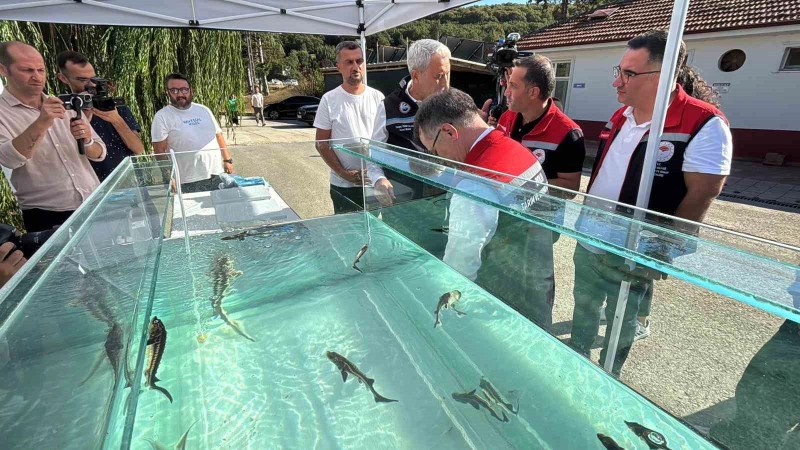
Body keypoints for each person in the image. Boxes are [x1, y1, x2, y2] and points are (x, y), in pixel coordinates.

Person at [569, 30, 733, 376]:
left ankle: (609, 375)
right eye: (619, 70)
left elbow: (703, 193)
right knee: (583, 307)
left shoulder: (703, 123)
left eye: (628, 73)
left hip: (632, 250)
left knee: (622, 319)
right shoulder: (621, 116)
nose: (617, 81)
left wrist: (660, 250)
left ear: (662, 75)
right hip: (590, 238)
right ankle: (576, 360)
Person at [483, 55, 586, 327]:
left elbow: (570, 187)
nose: (506, 91)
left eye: (513, 85)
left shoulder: (568, 133)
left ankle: (538, 330)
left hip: (539, 227)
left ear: (533, 92)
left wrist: (523, 185)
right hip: (505, 220)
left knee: (535, 286)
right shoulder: (506, 117)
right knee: (503, 278)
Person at [414, 88, 547, 282]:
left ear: (449, 132)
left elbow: (459, 270)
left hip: (501, 289)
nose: (440, 160)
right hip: (536, 278)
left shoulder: (474, 186)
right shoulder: (517, 149)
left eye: (434, 151)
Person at [0, 41, 107, 233]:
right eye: (27, 70)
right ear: (3, 70)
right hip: (47, 214)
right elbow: (9, 159)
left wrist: (88, 140)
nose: (37, 77)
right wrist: (42, 122)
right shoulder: (2, 113)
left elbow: (100, 153)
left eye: (41, 70)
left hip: (93, 201)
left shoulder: (64, 103)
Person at [314, 41, 392, 213]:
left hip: (375, 183)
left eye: (359, 61)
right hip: (344, 186)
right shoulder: (329, 100)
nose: (356, 67)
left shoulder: (378, 97)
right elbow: (321, 143)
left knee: (375, 228)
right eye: (349, 62)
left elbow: (385, 139)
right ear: (339, 67)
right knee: (349, 229)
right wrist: (343, 173)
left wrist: (379, 175)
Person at [371, 39, 452, 200]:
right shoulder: (388, 107)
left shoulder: (451, 103)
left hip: (441, 201)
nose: (445, 83)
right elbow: (373, 153)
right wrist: (378, 179)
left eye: (448, 74)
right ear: (415, 75)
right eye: (439, 76)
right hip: (401, 200)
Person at [55, 51, 144, 182]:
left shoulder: (115, 106)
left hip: (131, 181)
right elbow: (64, 151)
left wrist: (116, 120)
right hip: (92, 186)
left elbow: (139, 149)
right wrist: (84, 114)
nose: (91, 85)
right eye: (82, 80)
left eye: (93, 78)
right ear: (63, 78)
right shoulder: (62, 111)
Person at [151, 73, 234, 193]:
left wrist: (227, 160)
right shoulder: (162, 116)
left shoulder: (204, 110)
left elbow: (218, 135)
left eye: (184, 89)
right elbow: (159, 151)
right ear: (167, 92)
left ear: (191, 90)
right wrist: (168, 176)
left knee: (221, 204)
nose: (180, 94)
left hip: (216, 173)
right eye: (174, 90)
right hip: (187, 180)